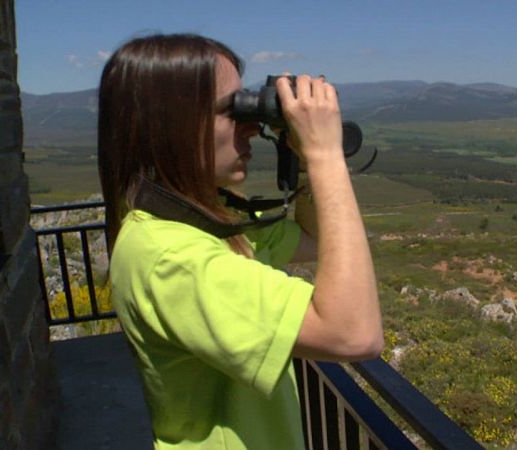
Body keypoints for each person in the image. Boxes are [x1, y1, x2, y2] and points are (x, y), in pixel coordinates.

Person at [97, 33, 383, 449]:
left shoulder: (208, 217)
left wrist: (303, 160)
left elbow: (311, 239)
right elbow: (354, 334)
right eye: (232, 110)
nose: (250, 126)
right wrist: (326, 155)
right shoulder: (171, 256)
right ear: (171, 125)